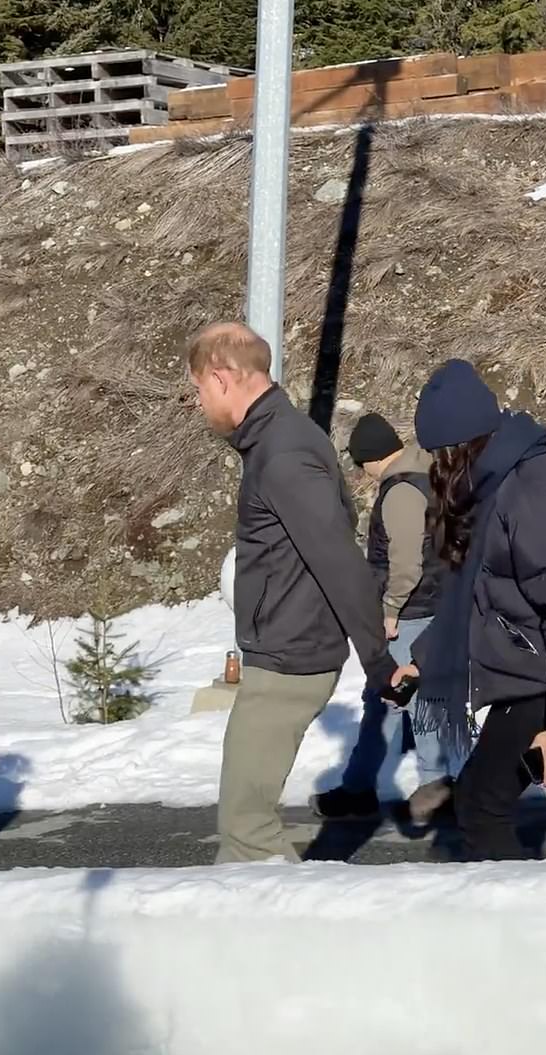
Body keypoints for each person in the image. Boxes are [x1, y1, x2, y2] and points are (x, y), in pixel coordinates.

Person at [186, 322, 400, 863]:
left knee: (246, 828)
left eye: (199, 389)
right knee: (245, 823)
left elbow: (337, 558)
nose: (199, 402)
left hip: (290, 657)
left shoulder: (282, 452)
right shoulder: (277, 440)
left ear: (222, 376)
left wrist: (378, 660)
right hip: (284, 647)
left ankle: (279, 938)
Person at [398, 359, 546, 861]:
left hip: (544, 676)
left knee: (481, 807)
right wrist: (425, 659)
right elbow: (480, 596)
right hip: (533, 668)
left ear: (459, 445)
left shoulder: (532, 491)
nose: (437, 469)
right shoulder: (500, 485)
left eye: (439, 454)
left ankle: (513, 926)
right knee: (477, 800)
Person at [310, 413, 458, 824]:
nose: (364, 475)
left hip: (412, 610)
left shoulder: (401, 491)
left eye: (361, 466)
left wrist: (390, 611)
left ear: (371, 458)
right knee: (399, 698)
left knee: (398, 696)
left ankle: (427, 787)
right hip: (432, 603)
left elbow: (406, 564)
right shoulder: (427, 472)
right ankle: (390, 786)